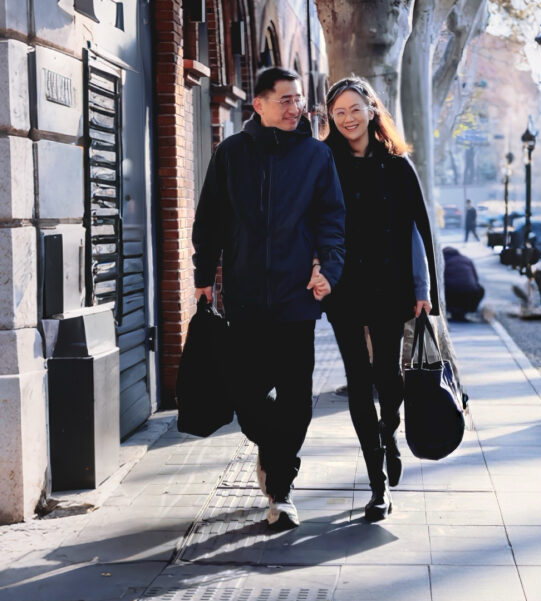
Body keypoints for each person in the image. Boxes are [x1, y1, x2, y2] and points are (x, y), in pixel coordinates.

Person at [192, 67, 345, 531]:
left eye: (298, 99)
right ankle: (276, 455)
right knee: (248, 396)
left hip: (297, 298)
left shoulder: (317, 156)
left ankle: (280, 490)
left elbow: (332, 222)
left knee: (297, 400)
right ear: (257, 104)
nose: (294, 107)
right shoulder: (232, 154)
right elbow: (211, 218)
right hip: (245, 298)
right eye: (284, 99)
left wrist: (329, 271)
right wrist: (203, 276)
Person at [320, 76, 440, 522]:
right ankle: (377, 483)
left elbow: (417, 233)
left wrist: (424, 291)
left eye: (355, 108)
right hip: (345, 285)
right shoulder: (323, 161)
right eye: (339, 112)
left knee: (388, 375)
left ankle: (388, 433)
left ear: (373, 109)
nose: (348, 118)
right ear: (331, 118)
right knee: (358, 376)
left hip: (391, 286)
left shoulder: (397, 165)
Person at [443, 246, 485, 322]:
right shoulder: (467, 260)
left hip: (451, 294)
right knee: (480, 289)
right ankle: (465, 310)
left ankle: (453, 310)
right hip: (469, 294)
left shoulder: (443, 261)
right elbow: (476, 280)